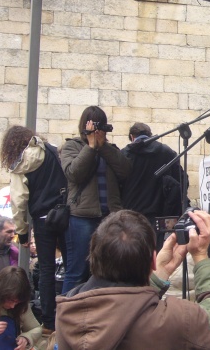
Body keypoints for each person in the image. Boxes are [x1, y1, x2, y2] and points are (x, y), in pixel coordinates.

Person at [55, 209, 210, 349]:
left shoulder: (68, 309)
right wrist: (201, 257)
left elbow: (118, 308)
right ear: (153, 260)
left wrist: (159, 276)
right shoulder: (172, 318)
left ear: (92, 255)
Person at [0, 125, 67, 334]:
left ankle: (48, 321)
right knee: (71, 264)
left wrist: (22, 231)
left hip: (42, 218)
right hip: (64, 213)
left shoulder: (20, 163)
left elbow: (19, 201)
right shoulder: (52, 149)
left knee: (46, 269)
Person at [60, 106, 131, 293]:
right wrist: (90, 148)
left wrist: (103, 146)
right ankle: (67, 315)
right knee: (77, 270)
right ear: (84, 125)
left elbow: (125, 171)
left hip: (110, 216)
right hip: (81, 216)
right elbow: (74, 174)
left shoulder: (110, 150)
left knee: (111, 269)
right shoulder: (72, 146)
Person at [120, 122, 188, 242]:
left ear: (132, 137)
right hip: (159, 218)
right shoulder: (166, 152)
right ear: (150, 135)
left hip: (130, 217)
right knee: (157, 257)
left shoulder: (124, 154)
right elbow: (183, 182)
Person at [0, 266, 42, 350]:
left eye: (17, 302)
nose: (13, 306)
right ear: (1, 293)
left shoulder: (20, 304)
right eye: (10, 300)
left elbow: (36, 328)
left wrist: (26, 338)